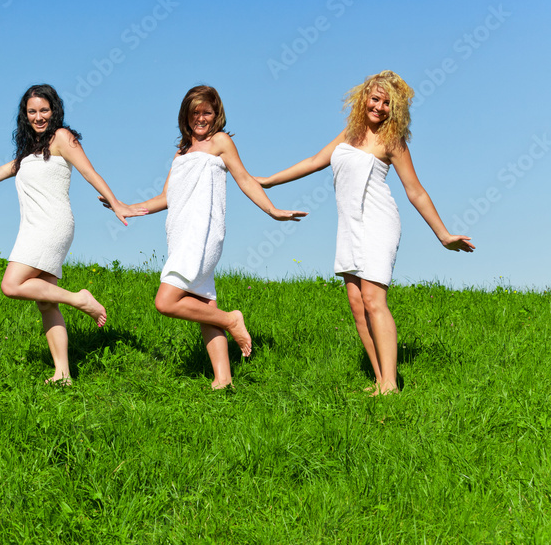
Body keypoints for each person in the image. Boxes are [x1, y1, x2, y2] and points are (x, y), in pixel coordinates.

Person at [256, 70, 474, 395]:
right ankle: (379, 380)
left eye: (387, 104)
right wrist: (268, 182)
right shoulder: (350, 134)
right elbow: (314, 161)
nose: (380, 107)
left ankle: (391, 384)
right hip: (349, 225)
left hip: (377, 222)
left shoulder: (393, 141)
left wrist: (443, 234)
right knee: (357, 305)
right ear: (363, 98)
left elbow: (415, 191)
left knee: (373, 299)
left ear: (395, 109)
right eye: (375, 99)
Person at [0, 83, 146, 384]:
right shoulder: (29, 151)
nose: (38, 117)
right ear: (25, 115)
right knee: (46, 302)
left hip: (51, 224)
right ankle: (63, 373)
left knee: (11, 285)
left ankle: (80, 299)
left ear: (54, 110)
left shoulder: (62, 137)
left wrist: (117, 203)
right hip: (33, 227)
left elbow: (89, 171)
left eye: (44, 110)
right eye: (32, 111)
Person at [115, 85, 306, 389]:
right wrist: (129, 208)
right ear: (185, 116)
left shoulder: (221, 142)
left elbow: (244, 179)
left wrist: (272, 211)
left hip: (202, 233)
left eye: (206, 112)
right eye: (195, 113)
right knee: (202, 303)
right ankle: (223, 379)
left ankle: (232, 320)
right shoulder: (181, 152)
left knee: (165, 302)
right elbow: (166, 197)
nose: (200, 118)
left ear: (216, 114)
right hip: (180, 233)